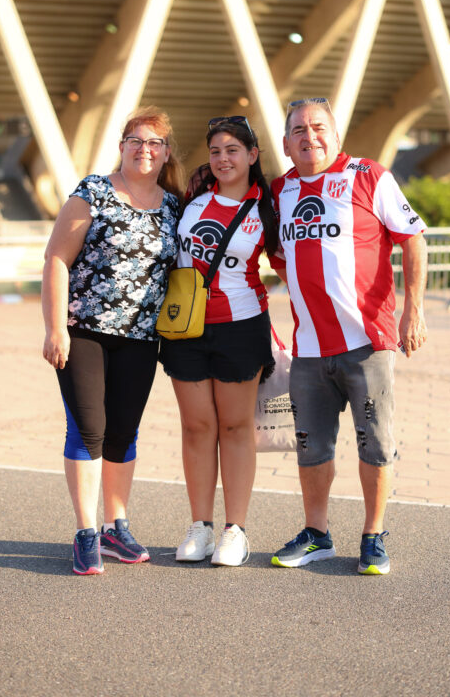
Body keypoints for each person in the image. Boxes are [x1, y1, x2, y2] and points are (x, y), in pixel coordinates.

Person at [269, 97, 427, 575]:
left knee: (374, 443)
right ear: (286, 143)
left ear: (336, 136)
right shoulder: (279, 191)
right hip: (309, 350)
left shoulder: (369, 176)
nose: (309, 136)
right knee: (310, 446)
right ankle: (316, 535)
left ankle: (373, 537)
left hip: (367, 344)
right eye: (299, 130)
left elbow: (413, 239)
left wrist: (414, 310)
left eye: (319, 127)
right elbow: (279, 256)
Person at [42, 106, 184, 575]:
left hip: (142, 338)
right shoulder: (94, 191)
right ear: (122, 146)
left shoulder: (173, 206)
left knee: (124, 431)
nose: (145, 149)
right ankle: (86, 531)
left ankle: (114, 527)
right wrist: (55, 328)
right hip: (85, 332)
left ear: (166, 153)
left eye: (154, 143)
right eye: (136, 141)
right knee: (89, 430)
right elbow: (57, 258)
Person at [159, 116, 279, 567]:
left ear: (252, 155)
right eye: (215, 151)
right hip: (185, 327)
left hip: (242, 326)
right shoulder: (191, 199)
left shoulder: (267, 208)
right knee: (196, 427)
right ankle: (200, 527)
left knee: (234, 427)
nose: (222, 159)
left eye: (232, 150)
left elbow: (290, 264)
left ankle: (235, 530)